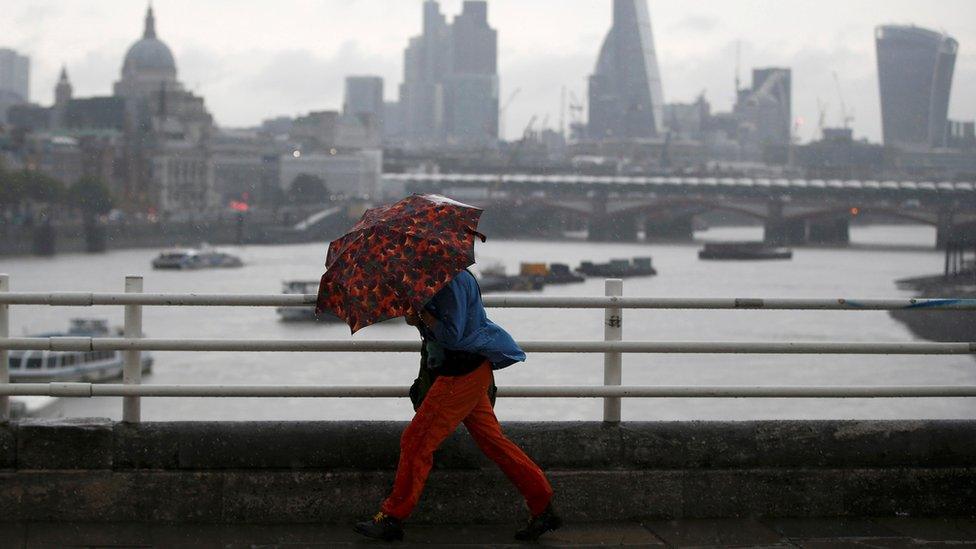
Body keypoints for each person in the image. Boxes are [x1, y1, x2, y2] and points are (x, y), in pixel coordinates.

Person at [354, 269, 562, 542]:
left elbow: (452, 336)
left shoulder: (448, 282)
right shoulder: (448, 275)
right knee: (493, 442)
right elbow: (451, 326)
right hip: (473, 370)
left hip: (459, 375)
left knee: (416, 442)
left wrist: (423, 316)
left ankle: (392, 517)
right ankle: (542, 504)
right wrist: (417, 317)